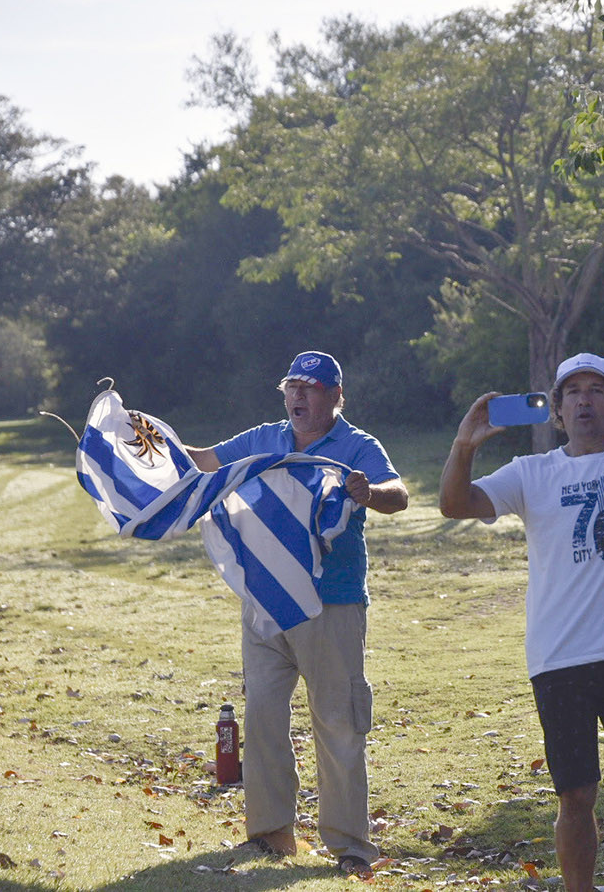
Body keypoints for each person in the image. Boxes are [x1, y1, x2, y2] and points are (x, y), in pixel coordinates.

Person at [438, 261, 604, 892]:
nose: (582, 400)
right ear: (556, 408)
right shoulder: (532, 471)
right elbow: (454, 505)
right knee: (574, 797)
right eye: (571, 392)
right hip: (559, 657)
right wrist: (465, 447)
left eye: (595, 391)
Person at [185, 350, 408, 879]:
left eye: (311, 388)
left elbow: (398, 495)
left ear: (335, 397)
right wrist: (144, 443)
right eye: (292, 387)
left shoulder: (358, 445)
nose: (298, 397)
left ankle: (349, 844)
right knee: (262, 716)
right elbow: (205, 461)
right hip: (266, 602)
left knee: (337, 722)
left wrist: (368, 492)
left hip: (333, 600)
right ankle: (270, 833)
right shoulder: (266, 437)